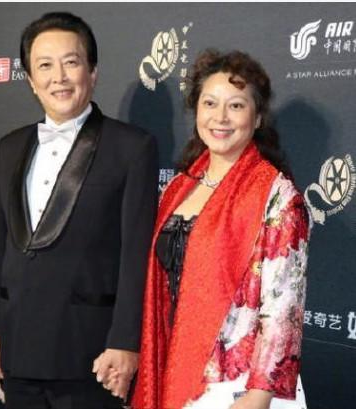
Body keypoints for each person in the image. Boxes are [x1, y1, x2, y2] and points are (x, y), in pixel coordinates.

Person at [0, 12, 158, 409]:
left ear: (92, 72)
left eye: (71, 62)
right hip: (18, 346)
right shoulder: (9, 146)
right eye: (44, 65)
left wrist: (124, 342)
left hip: (90, 353)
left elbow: (136, 255)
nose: (58, 77)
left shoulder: (131, 148)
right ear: (30, 80)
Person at [131, 50, 311, 409]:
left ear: (257, 118)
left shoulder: (278, 196)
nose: (221, 117)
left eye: (236, 106)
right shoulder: (178, 188)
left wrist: (259, 394)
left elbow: (283, 306)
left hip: (232, 382)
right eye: (210, 103)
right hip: (172, 364)